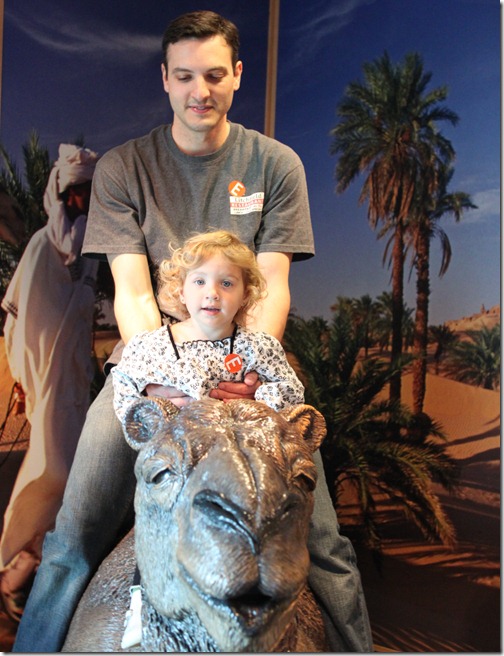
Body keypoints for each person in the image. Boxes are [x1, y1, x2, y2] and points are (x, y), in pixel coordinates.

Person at [13, 11, 372, 652]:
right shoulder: (124, 168)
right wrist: (164, 387)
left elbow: (271, 287)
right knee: (72, 538)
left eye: (213, 75)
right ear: (165, 78)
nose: (198, 91)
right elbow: (133, 292)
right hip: (151, 373)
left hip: (250, 377)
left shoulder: (276, 165)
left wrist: (250, 377)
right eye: (184, 76)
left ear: (237, 75)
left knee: (325, 545)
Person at [0, 144, 99, 621]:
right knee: (56, 471)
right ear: (61, 193)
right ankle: (17, 566)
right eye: (76, 190)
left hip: (74, 384)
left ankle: (23, 572)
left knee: (68, 476)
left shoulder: (91, 255)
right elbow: (22, 325)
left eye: (89, 190)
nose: (82, 199)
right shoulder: (42, 246)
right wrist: (26, 380)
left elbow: (79, 323)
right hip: (46, 382)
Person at [113, 229, 305, 436]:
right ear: (181, 292)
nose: (212, 293)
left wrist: (260, 401)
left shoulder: (258, 347)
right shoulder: (151, 346)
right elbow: (124, 381)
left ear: (245, 295)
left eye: (226, 283)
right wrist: (148, 415)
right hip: (171, 442)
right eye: (200, 282)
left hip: (241, 441)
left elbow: (290, 390)